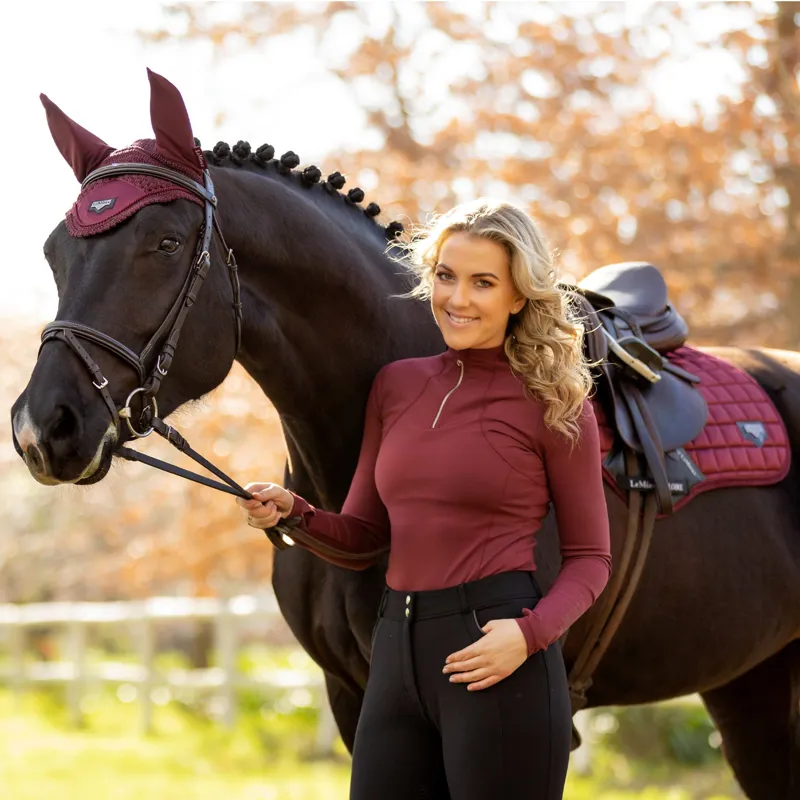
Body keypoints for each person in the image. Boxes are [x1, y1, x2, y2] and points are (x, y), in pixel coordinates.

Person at [237, 198, 612, 800]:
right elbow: (363, 535)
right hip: (394, 653)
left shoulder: (554, 401)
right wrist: (295, 514)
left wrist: (529, 635)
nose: (457, 299)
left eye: (482, 282)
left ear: (519, 295)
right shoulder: (396, 385)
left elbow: (592, 559)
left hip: (498, 654)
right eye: (445, 276)